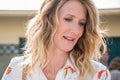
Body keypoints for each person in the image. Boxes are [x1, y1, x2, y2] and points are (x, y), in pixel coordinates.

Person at [2, 0, 111, 80]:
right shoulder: (18, 69)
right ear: (48, 19)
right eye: (68, 19)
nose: (76, 30)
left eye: (81, 23)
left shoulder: (97, 74)